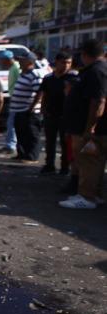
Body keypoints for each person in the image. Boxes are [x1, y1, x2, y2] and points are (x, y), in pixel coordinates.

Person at [59, 39, 107, 209]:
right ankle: (95, 195)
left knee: (88, 162)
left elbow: (98, 101)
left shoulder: (96, 71)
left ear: (85, 54)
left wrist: (90, 128)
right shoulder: (95, 70)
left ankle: (87, 197)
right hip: (89, 126)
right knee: (95, 163)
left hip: (89, 128)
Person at [39, 52, 72, 175]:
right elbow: (44, 95)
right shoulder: (48, 78)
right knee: (50, 142)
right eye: (63, 62)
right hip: (51, 114)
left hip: (66, 116)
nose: (66, 65)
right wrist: (43, 109)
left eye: (69, 62)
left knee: (65, 143)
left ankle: (65, 167)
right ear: (56, 62)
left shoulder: (72, 78)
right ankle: (49, 165)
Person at [10, 52, 47, 162]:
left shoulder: (34, 74)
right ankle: (22, 154)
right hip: (19, 110)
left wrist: (32, 108)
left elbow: (40, 93)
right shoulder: (23, 74)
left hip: (29, 111)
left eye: (22, 60)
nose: (19, 62)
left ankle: (32, 156)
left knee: (32, 134)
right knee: (21, 133)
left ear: (30, 62)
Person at [0, 50, 21, 155]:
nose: (1, 63)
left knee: (12, 123)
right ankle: (10, 144)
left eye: (2, 61)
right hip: (13, 97)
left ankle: (11, 145)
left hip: (18, 99)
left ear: (7, 60)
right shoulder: (12, 68)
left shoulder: (16, 68)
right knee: (11, 123)